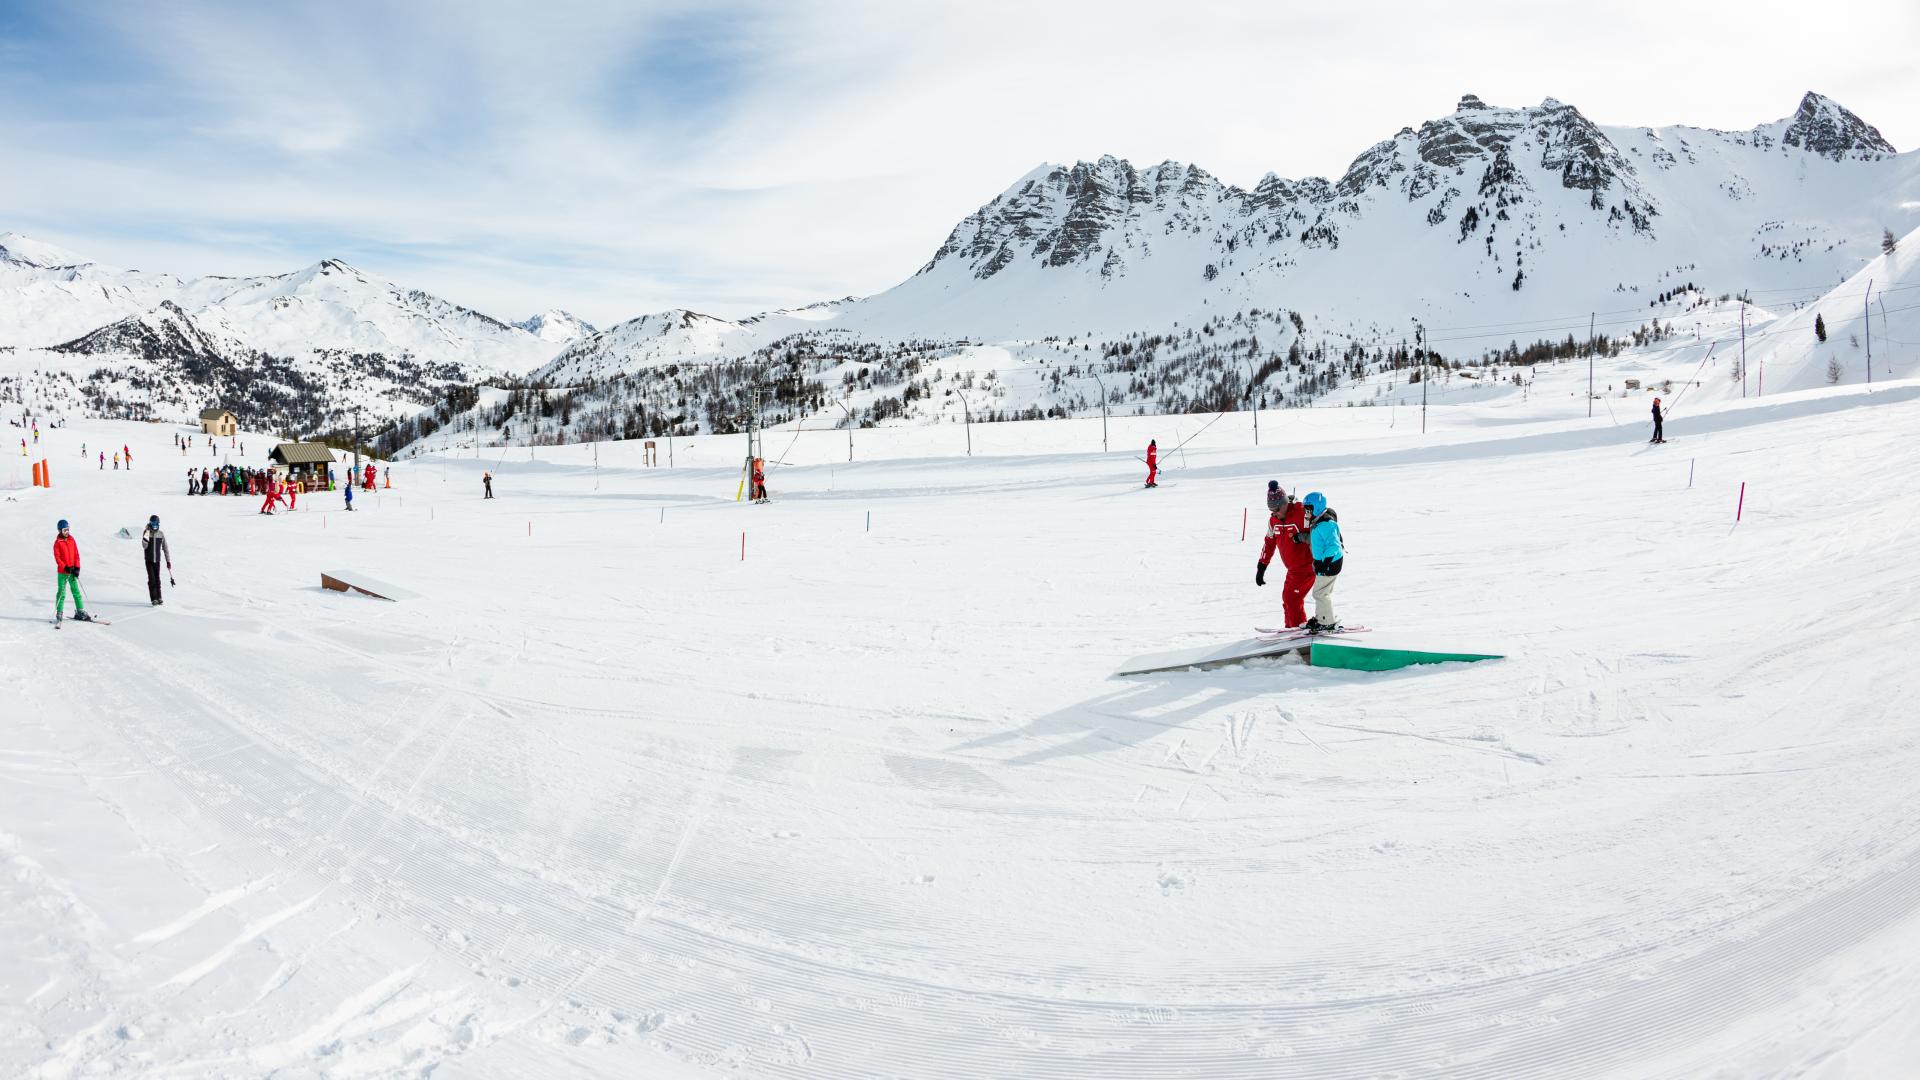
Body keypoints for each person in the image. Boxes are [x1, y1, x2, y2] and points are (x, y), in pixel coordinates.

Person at [1256, 481, 1316, 629]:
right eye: (1271, 510)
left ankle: (1296, 630)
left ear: (1285, 503)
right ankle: (1291, 629)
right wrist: (1261, 567)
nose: (1275, 513)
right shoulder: (1273, 520)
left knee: (1292, 599)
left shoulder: (1303, 512)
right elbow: (1269, 543)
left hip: (1308, 566)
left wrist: (1304, 537)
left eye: (1277, 509)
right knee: (1288, 599)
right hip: (1293, 570)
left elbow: (1320, 531)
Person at [1301, 491, 1345, 633]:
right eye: (1305, 510)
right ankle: (1322, 617)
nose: (1306, 513)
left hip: (1330, 563)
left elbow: (1334, 546)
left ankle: (1327, 622)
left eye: (1309, 509)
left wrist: (1324, 562)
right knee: (1322, 592)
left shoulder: (1327, 524)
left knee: (1320, 593)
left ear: (1317, 508)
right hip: (1325, 563)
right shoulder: (1318, 522)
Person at [53, 520, 92, 624]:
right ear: (60, 530)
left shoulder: (72, 540)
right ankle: (59, 612)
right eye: (64, 530)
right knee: (61, 593)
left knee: (76, 591)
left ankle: (80, 611)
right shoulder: (57, 543)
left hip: (72, 571)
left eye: (67, 530)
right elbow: (57, 558)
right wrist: (65, 567)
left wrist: (77, 568)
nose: (66, 532)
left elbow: (76, 555)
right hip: (62, 572)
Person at [141, 515, 171, 606]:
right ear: (150, 523)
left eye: (156, 523)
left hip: (157, 560)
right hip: (149, 560)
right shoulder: (147, 532)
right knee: (152, 579)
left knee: (157, 579)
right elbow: (144, 546)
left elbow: (165, 548)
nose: (155, 525)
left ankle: (159, 597)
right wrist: (146, 536)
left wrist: (168, 561)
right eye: (153, 523)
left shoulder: (161, 534)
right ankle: (154, 598)